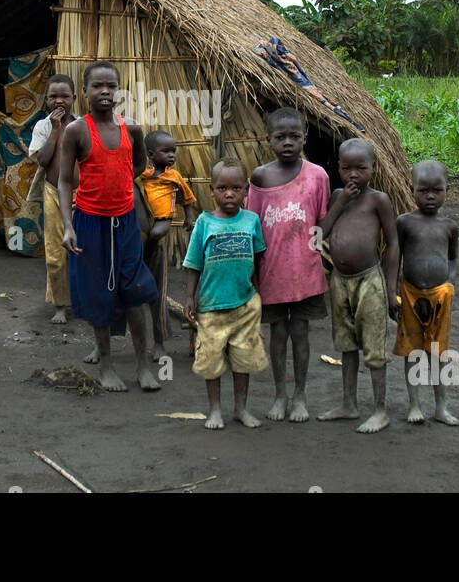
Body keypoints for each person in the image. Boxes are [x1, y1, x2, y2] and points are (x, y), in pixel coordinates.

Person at [57, 61, 160, 393]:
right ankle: (106, 367)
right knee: (100, 295)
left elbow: (141, 162)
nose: (105, 92)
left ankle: (144, 366)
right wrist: (68, 226)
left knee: (134, 294)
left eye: (111, 86)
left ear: (118, 90)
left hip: (126, 222)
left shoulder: (131, 129)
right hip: (89, 223)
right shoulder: (76, 131)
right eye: (97, 86)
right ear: (84, 91)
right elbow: (62, 182)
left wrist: (124, 183)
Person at [246, 107, 328, 423]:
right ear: (269, 140)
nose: (288, 143)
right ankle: (280, 395)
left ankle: (301, 396)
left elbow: (322, 222)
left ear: (305, 137)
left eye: (295, 136)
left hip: (306, 272)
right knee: (277, 334)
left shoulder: (317, 175)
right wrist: (252, 275)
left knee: (302, 333)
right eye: (280, 137)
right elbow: (253, 228)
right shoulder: (260, 177)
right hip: (271, 272)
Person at [317, 138, 399, 433]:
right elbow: (319, 234)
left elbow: (392, 244)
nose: (353, 174)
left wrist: (391, 289)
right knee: (346, 343)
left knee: (375, 345)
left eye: (360, 168)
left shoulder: (379, 200)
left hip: (369, 281)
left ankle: (380, 409)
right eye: (346, 168)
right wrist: (339, 203)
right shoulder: (337, 196)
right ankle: (348, 404)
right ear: (337, 168)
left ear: (373, 169)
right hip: (339, 281)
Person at [184, 157, 268, 430]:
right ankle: (215, 410)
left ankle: (241, 409)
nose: (229, 194)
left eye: (236, 188)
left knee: (243, 361)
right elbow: (194, 263)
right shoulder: (204, 223)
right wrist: (189, 298)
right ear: (211, 190)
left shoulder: (252, 221)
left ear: (246, 190)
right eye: (222, 188)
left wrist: (258, 293)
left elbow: (257, 259)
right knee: (212, 362)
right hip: (210, 305)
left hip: (244, 303)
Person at [394, 159, 459, 426]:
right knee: (412, 351)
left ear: (446, 190)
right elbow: (394, 256)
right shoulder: (404, 223)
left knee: (438, 352)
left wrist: (450, 282)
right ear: (412, 189)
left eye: (437, 190)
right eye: (423, 190)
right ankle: (414, 404)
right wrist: (392, 291)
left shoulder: (449, 226)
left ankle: (441, 406)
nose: (431, 196)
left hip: (440, 296)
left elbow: (453, 258)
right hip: (410, 294)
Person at [139, 130, 198, 358]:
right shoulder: (142, 176)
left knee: (155, 236)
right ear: (152, 155)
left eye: (174, 151)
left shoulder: (174, 177)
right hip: (144, 228)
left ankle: (160, 343)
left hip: (163, 222)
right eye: (166, 151)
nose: (172, 155)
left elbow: (188, 199)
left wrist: (190, 219)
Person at [27, 74, 78, 324]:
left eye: (64, 96)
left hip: (83, 196)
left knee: (84, 250)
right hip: (53, 192)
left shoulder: (83, 125)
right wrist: (56, 131)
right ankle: (60, 305)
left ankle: (84, 301)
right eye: (53, 96)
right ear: (46, 99)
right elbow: (43, 160)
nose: (59, 101)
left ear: (74, 99)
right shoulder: (43, 126)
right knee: (56, 252)